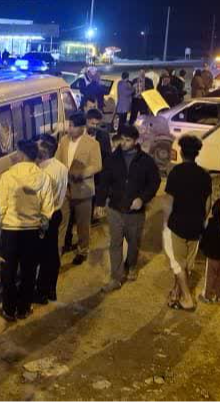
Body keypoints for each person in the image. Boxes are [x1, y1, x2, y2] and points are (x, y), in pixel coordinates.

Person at [95, 125, 161, 292]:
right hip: (115, 209)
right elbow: (104, 182)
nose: (123, 143)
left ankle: (131, 265)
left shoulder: (146, 161)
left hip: (135, 213)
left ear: (136, 141)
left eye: (128, 140)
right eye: (122, 139)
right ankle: (116, 277)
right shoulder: (112, 159)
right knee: (115, 243)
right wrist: (100, 203)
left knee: (133, 243)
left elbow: (154, 182)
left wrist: (143, 199)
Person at [0, 140, 56, 321]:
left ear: (21, 154)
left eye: (16, 152)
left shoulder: (8, 176)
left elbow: (0, 207)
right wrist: (42, 227)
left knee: (8, 272)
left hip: (10, 230)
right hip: (32, 231)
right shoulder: (43, 177)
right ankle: (23, 308)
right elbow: (48, 208)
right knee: (28, 271)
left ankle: (9, 309)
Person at [162, 135, 211, 311]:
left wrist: (165, 221)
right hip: (196, 225)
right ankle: (176, 293)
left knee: (177, 264)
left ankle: (187, 298)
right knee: (186, 264)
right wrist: (202, 220)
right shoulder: (205, 175)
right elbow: (208, 202)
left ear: (182, 153)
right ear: (197, 153)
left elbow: (169, 200)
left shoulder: (176, 173)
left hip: (177, 224)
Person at [55, 112, 103, 265]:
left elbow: (97, 165)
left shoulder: (92, 144)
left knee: (83, 224)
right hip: (65, 189)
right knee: (62, 222)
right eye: (69, 125)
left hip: (83, 190)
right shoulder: (64, 141)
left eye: (73, 126)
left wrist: (81, 173)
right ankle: (59, 249)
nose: (69, 129)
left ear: (82, 127)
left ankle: (83, 250)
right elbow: (57, 160)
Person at [34, 135, 69, 305]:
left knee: (43, 255)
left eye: (37, 147)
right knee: (52, 253)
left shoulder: (42, 172)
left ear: (44, 151)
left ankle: (41, 292)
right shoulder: (61, 167)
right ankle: (51, 289)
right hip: (57, 212)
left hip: (45, 215)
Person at [199, 199, 220, 304]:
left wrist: (203, 248)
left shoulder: (211, 223)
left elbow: (205, 238)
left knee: (210, 276)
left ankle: (207, 295)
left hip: (212, 256)